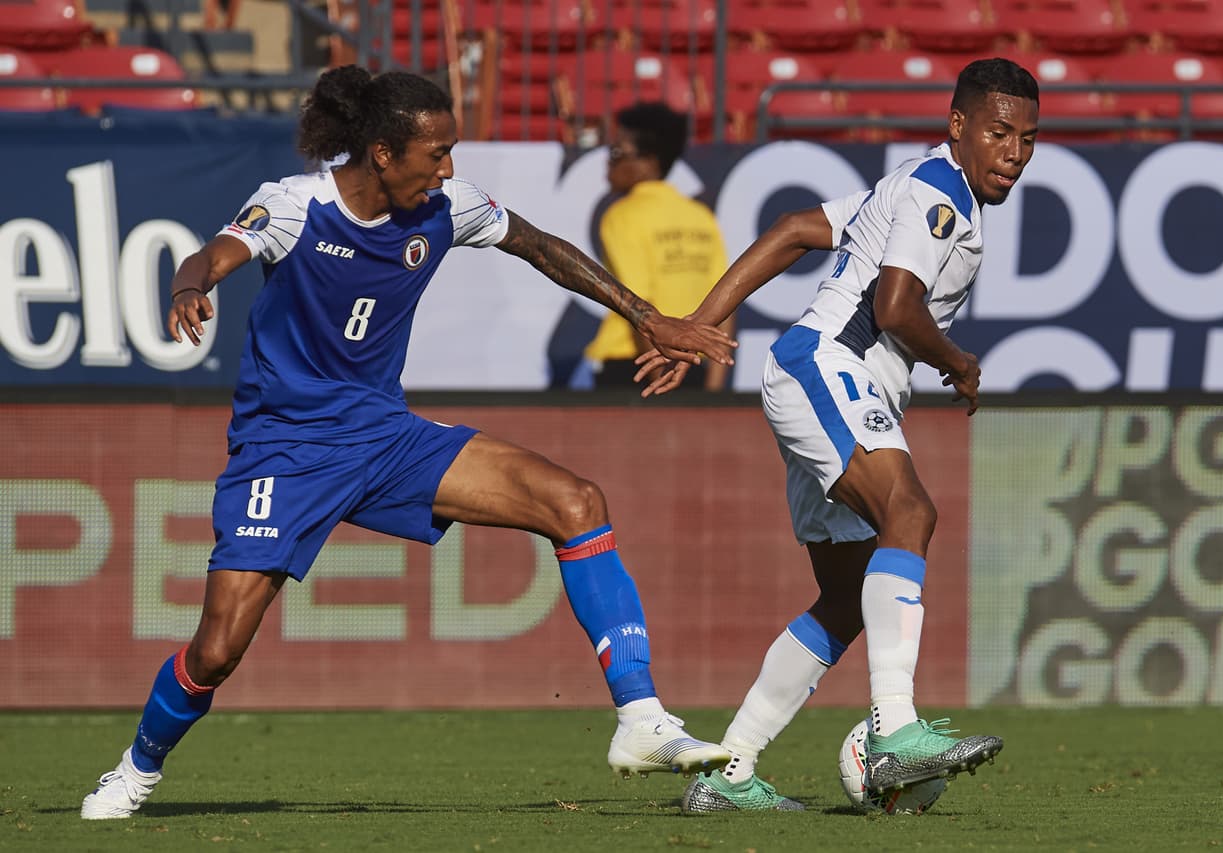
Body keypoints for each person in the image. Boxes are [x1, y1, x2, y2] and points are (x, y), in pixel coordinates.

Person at [80, 66, 737, 820]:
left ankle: (641, 716)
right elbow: (214, 254)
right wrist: (189, 288)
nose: (449, 168)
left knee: (576, 500)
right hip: (284, 450)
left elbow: (540, 245)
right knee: (218, 649)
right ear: (383, 153)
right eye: (436, 153)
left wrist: (646, 314)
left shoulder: (445, 205)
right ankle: (136, 769)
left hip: (385, 437)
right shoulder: (297, 206)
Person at [634, 58, 1040, 812]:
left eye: (1027, 138)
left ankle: (729, 773)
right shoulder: (937, 190)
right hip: (831, 365)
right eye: (998, 133)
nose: (1013, 152)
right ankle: (895, 730)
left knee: (848, 598)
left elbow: (793, 230)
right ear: (959, 126)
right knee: (911, 512)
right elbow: (894, 305)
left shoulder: (910, 182)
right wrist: (957, 362)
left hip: (813, 373)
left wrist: (701, 319)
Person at [583, 102, 734, 391]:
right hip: (693, 365)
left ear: (649, 160)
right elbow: (726, 305)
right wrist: (714, 390)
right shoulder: (700, 216)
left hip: (635, 365)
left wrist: (660, 383)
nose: (607, 161)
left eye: (616, 152)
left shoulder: (622, 215)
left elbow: (640, 302)